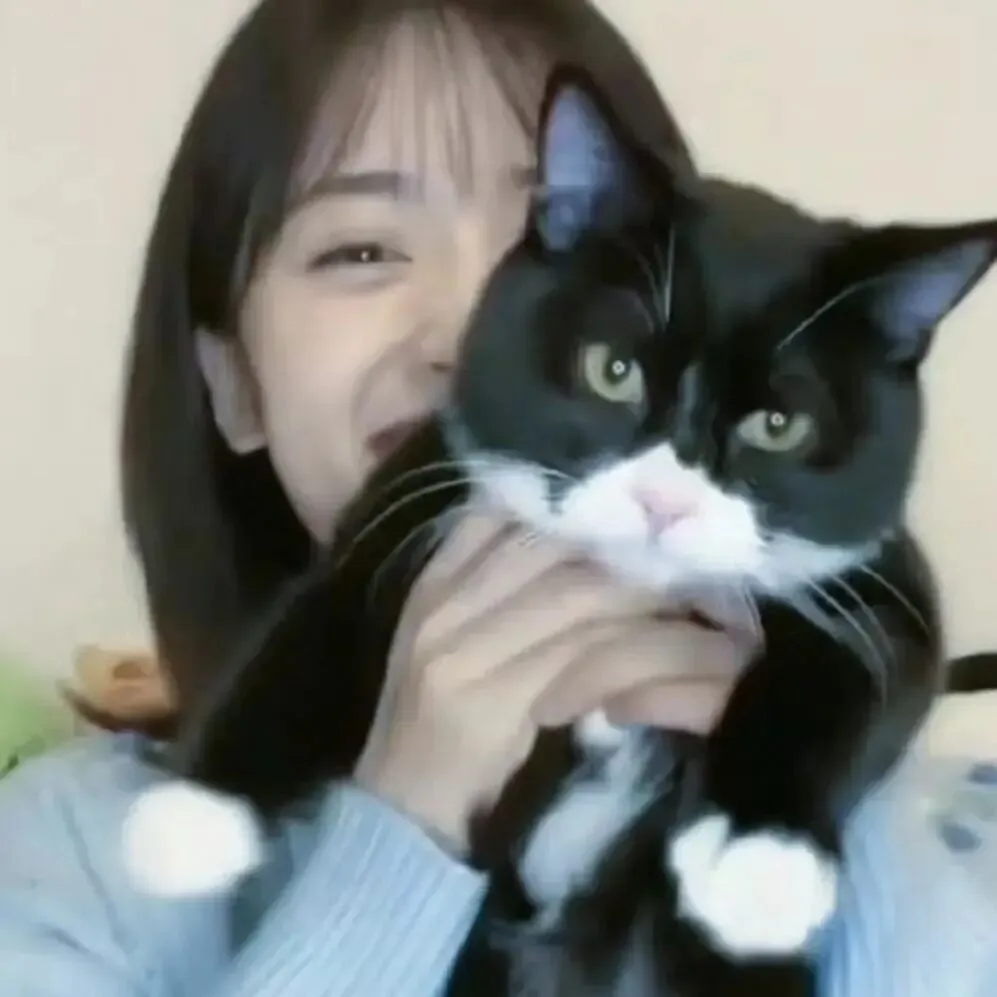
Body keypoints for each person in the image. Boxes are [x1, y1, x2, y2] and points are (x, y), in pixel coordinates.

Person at [0, 1, 994, 994]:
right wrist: (401, 834)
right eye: (362, 250)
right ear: (232, 384)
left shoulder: (960, 843)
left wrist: (816, 793)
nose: (471, 319)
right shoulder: (63, 865)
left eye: (542, 222)